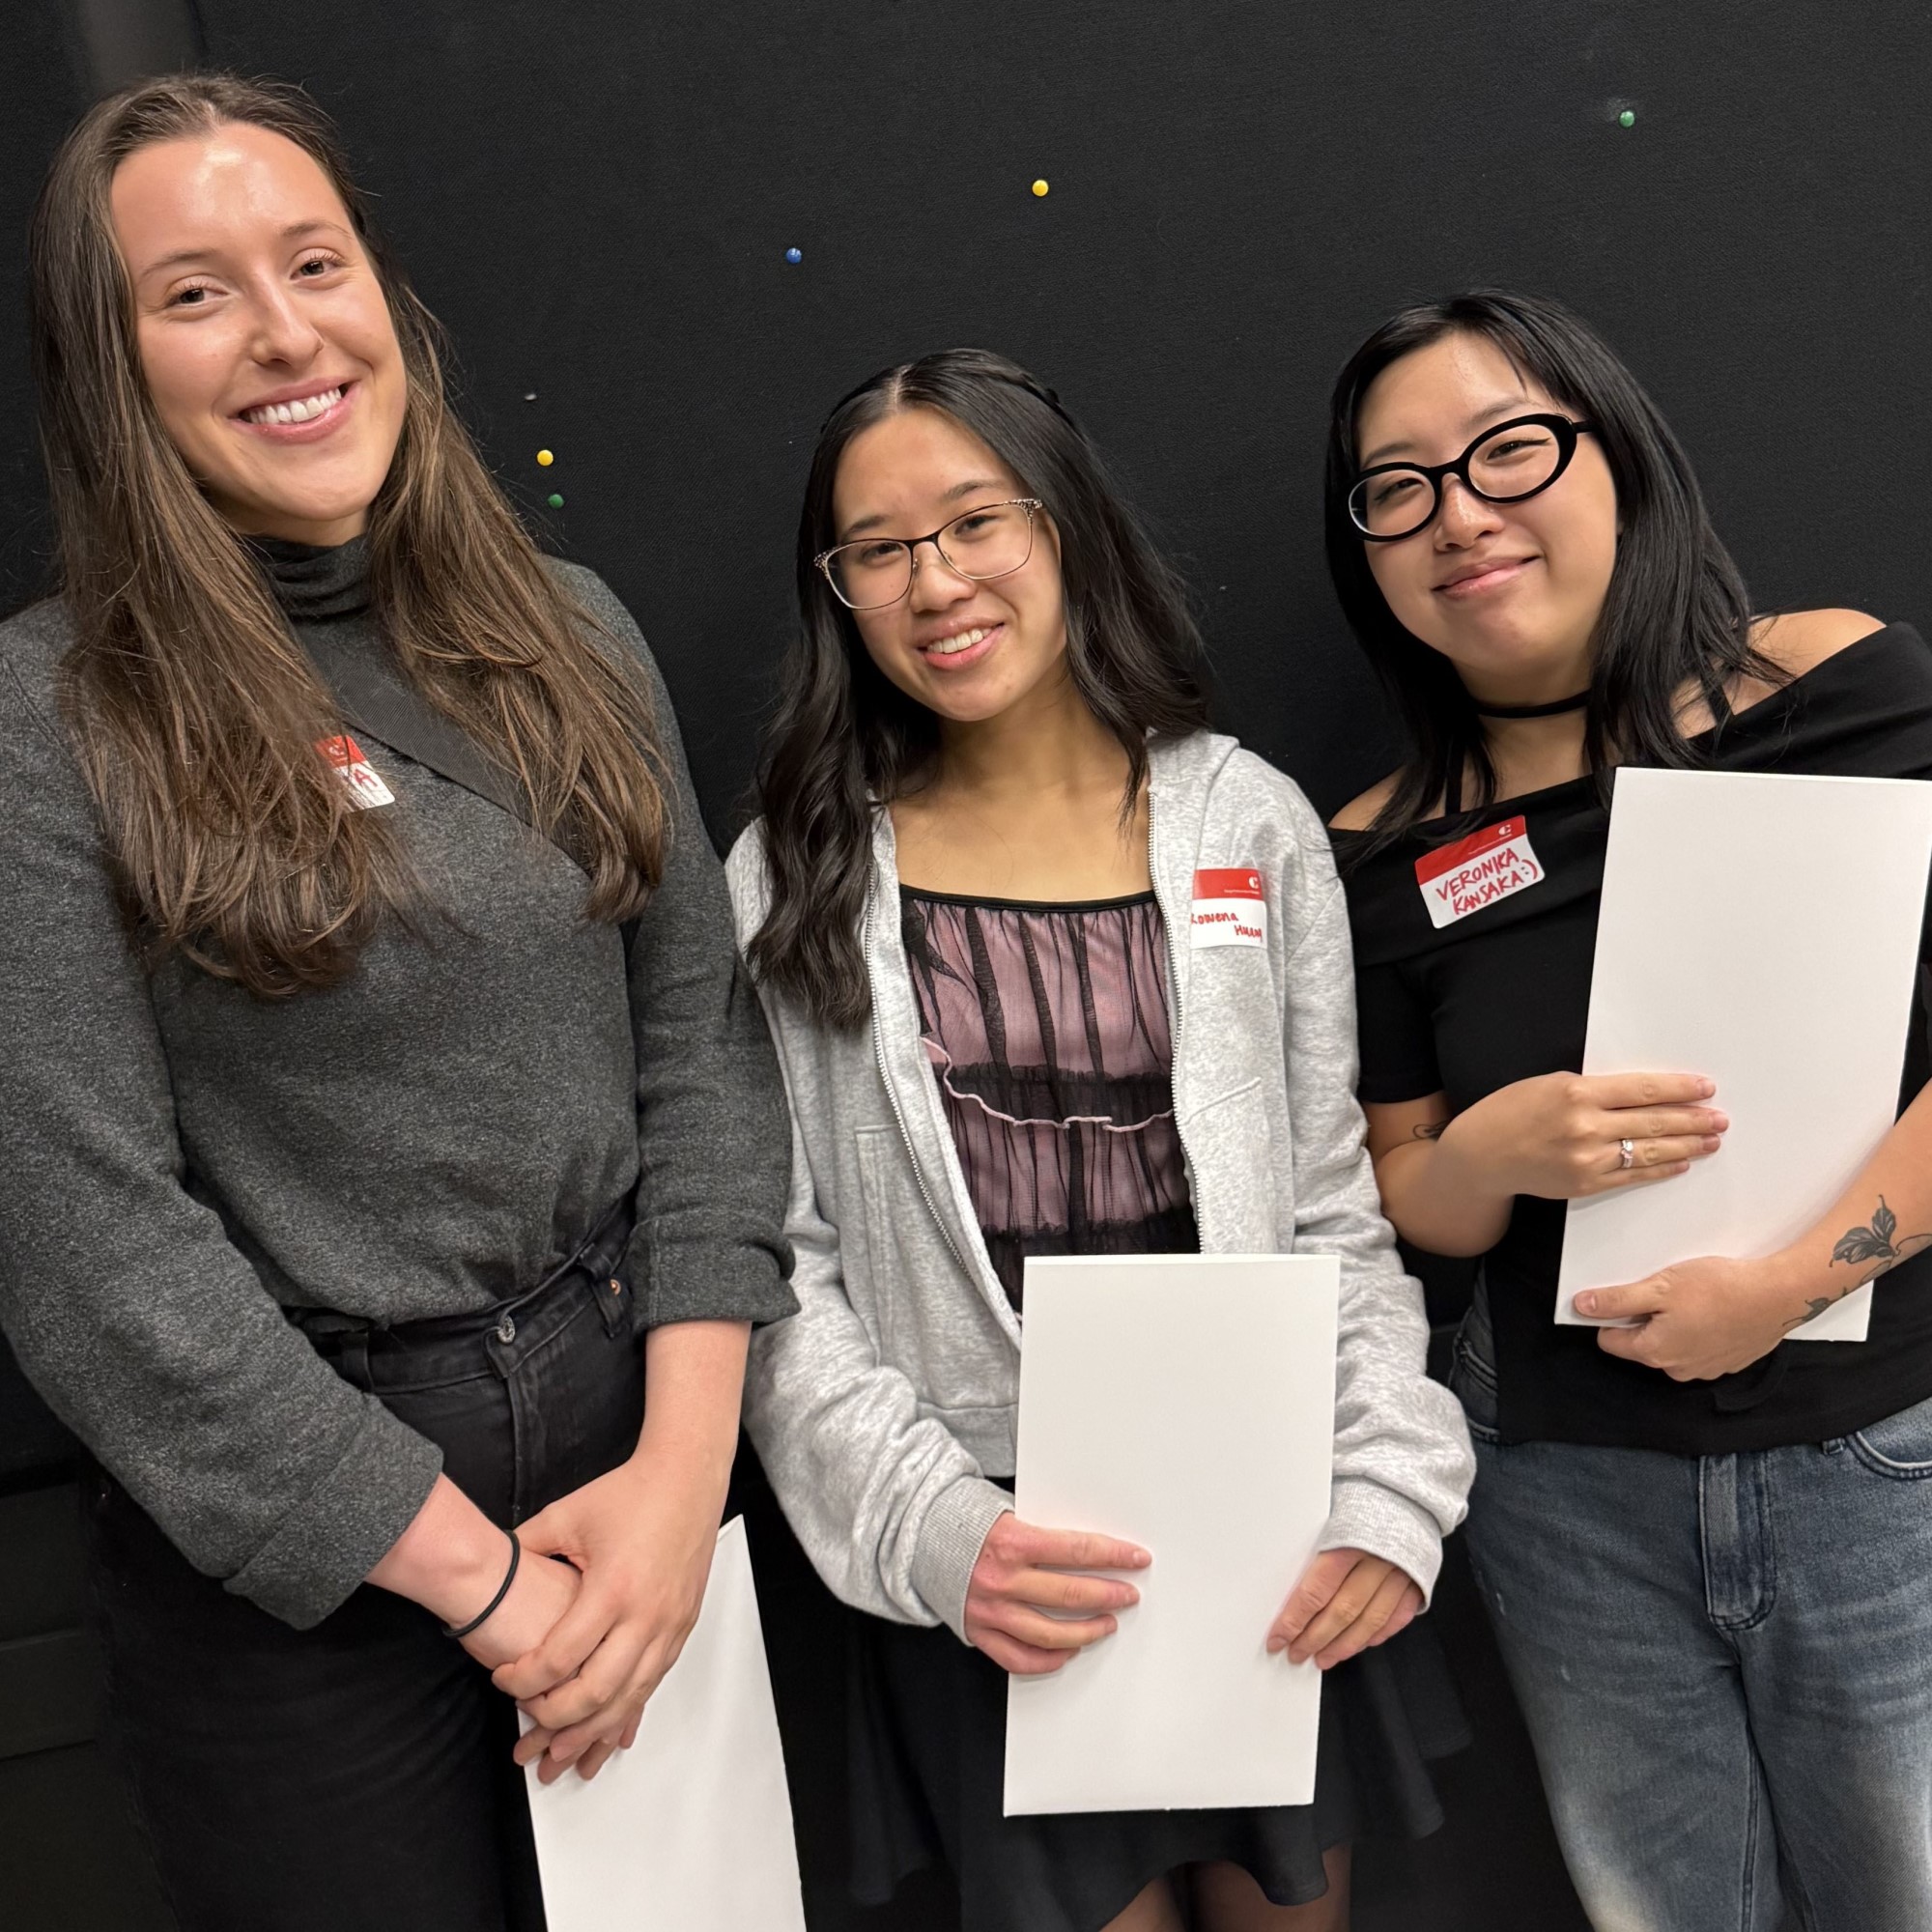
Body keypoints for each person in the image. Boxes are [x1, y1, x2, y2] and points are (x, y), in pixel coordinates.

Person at [0, 73, 794, 1931]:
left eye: (314, 262)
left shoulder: (568, 627)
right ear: (109, 368)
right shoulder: (47, 723)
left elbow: (704, 1053)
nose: (285, 332)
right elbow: (90, 1249)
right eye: (193, 294)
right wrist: (488, 1592)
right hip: (306, 1570)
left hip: (639, 1457)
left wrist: (682, 1487)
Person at [727, 347, 1473, 1932]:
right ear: (840, 591)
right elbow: (778, 1272)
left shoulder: (1247, 822)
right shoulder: (794, 871)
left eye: (975, 520)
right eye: (879, 547)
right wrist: (942, 1532)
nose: (936, 581)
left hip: (1258, 1526)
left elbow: (1334, 1208)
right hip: (995, 1566)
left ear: (1064, 526)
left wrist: (1388, 1488)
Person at [1324, 289, 1932, 1932]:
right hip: (1565, 1495)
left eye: (1507, 449)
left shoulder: (1846, 689)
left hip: (1875, 1451)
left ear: (1617, 453)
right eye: (1398, 488)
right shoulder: (1377, 846)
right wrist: (1482, 1155)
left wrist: (1795, 1284)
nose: (1460, 513)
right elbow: (1402, 1195)